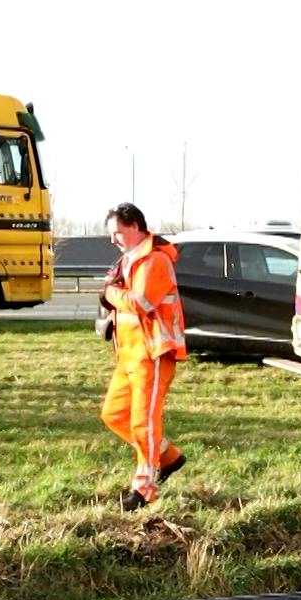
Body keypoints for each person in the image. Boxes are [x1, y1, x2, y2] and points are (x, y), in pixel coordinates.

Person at [99, 203, 188, 511]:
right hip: (129, 355)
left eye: (118, 233)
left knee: (143, 423)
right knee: (113, 414)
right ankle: (169, 457)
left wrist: (110, 293)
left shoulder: (155, 261)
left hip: (152, 353)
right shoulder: (130, 259)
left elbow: (143, 303)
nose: (113, 240)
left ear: (135, 227)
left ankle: (144, 490)